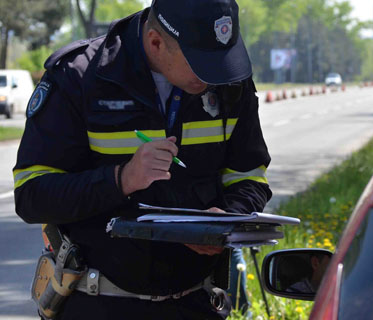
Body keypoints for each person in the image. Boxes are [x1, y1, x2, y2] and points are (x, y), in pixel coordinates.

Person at [13, 0, 272, 319]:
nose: (215, 76)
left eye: (222, 59)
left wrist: (228, 219)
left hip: (196, 302)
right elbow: (32, 196)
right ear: (155, 43)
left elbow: (250, 175)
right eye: (201, 62)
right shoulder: (79, 76)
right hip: (97, 303)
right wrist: (121, 179)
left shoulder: (227, 78)